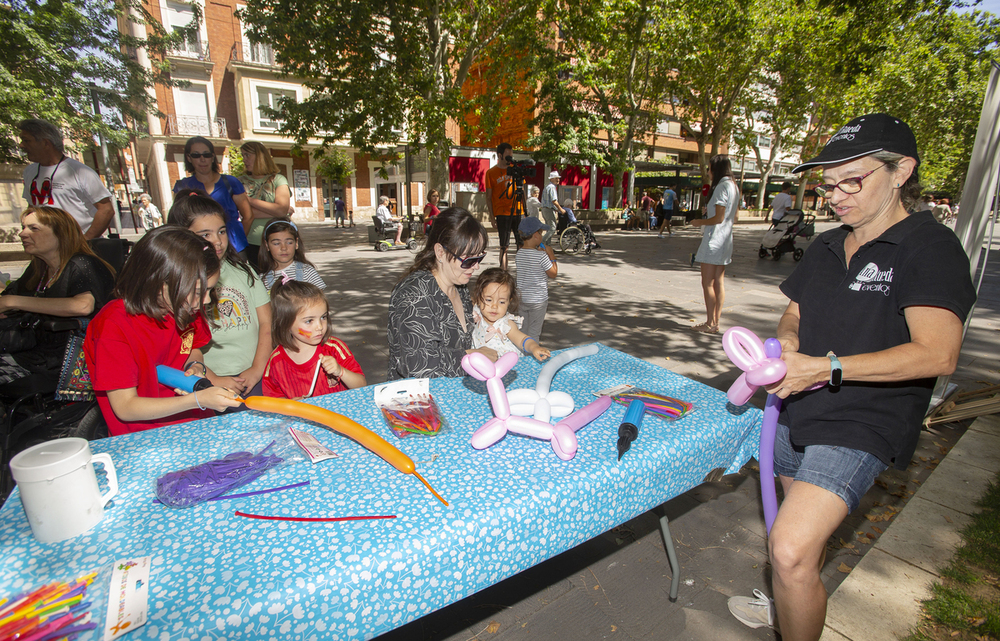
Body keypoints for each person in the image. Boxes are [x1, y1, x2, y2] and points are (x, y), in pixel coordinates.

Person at [727, 114, 977, 641]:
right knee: (800, 556)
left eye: (852, 181)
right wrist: (790, 345)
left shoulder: (929, 247)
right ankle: (793, 610)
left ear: (901, 171)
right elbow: (794, 313)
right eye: (827, 184)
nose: (835, 196)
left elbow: (939, 354)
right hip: (798, 411)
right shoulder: (823, 246)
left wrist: (826, 367)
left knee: (789, 549)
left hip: (863, 420)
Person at [83, 226, 243, 436]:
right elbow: (125, 407)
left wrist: (196, 366)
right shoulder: (113, 326)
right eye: (198, 291)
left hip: (196, 425)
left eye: (211, 290)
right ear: (159, 281)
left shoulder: (184, 307)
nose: (206, 300)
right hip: (146, 438)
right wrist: (196, 400)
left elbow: (193, 347)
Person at [167, 190, 272, 399]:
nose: (217, 241)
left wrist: (257, 370)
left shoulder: (246, 272)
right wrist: (212, 379)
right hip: (206, 381)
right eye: (205, 234)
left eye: (222, 231)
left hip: (254, 375)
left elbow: (266, 324)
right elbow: (181, 341)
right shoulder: (177, 283)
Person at [0, 206, 115, 392]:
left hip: (68, 361)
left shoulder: (82, 263)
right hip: (32, 354)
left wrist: (11, 302)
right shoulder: (39, 269)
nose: (22, 234)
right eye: (23, 227)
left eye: (33, 228)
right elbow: (10, 296)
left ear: (61, 233)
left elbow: (83, 305)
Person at [386, 207, 494, 380]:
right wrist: (472, 355)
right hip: (418, 400)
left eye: (479, 258)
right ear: (440, 252)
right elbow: (420, 366)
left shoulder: (458, 285)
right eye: (469, 260)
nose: (476, 267)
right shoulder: (414, 295)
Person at [262, 279, 365, 399]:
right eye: (309, 321)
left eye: (323, 317)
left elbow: (361, 385)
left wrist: (341, 371)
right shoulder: (276, 361)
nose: (320, 327)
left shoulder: (334, 348)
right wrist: (290, 405)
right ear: (286, 324)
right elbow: (272, 399)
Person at [19, 119, 115, 239]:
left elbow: (106, 210)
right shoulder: (30, 171)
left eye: (27, 141)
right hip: (46, 247)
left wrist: (85, 242)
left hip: (78, 248)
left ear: (45, 143)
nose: (21, 145)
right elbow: (32, 207)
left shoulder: (80, 172)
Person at [172, 136, 253, 258]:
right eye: (196, 155)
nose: (202, 159)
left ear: (213, 157)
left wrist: (237, 240)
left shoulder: (230, 182)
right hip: (200, 249)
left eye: (206, 154)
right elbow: (178, 223)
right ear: (189, 158)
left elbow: (248, 216)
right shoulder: (182, 187)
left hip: (234, 248)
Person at [689, 155, 740, 334]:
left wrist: (699, 222)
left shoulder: (721, 187)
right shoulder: (733, 186)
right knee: (718, 282)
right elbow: (733, 216)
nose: (709, 173)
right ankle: (716, 322)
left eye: (710, 169)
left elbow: (718, 218)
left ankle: (710, 323)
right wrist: (709, 211)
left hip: (714, 240)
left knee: (707, 283)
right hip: (726, 239)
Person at [471, 267, 551, 361]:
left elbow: (522, 340)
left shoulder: (506, 324)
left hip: (506, 366)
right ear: (478, 298)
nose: (494, 306)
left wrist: (534, 347)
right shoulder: (477, 313)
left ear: (509, 301)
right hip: (481, 364)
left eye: (502, 302)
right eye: (489, 300)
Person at [238, 141, 291, 271]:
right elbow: (239, 213)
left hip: (277, 241)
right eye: (243, 155)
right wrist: (276, 210)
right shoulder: (239, 182)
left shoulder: (278, 179)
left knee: (280, 283)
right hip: (250, 243)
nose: (244, 159)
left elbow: (281, 209)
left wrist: (248, 200)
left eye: (247, 155)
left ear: (260, 156)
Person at [515, 217, 558, 341]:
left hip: (522, 298)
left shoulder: (519, 254)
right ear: (535, 236)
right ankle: (533, 354)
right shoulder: (542, 256)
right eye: (541, 233)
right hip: (538, 301)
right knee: (534, 332)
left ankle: (522, 354)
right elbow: (553, 273)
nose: (541, 236)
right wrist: (551, 255)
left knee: (523, 330)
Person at [258, 219, 326, 290]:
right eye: (276, 243)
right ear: (267, 246)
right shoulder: (262, 279)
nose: (283, 248)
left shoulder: (307, 271)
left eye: (289, 242)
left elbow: (319, 299)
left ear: (296, 243)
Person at [485, 143, 521, 270]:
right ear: (499, 155)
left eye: (511, 156)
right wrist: (491, 216)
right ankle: (503, 274)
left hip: (518, 211)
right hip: (502, 213)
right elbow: (488, 197)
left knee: (521, 244)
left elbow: (522, 192)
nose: (510, 159)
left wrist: (525, 211)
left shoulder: (516, 170)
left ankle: (522, 272)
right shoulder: (491, 173)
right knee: (504, 246)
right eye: (508, 156)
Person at [539, 171, 565, 245]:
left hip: (545, 209)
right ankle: (542, 243)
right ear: (551, 179)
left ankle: (548, 246)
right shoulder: (552, 187)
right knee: (552, 228)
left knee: (549, 228)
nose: (558, 180)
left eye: (558, 178)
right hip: (548, 210)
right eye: (556, 178)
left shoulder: (547, 187)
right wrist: (561, 209)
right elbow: (554, 201)